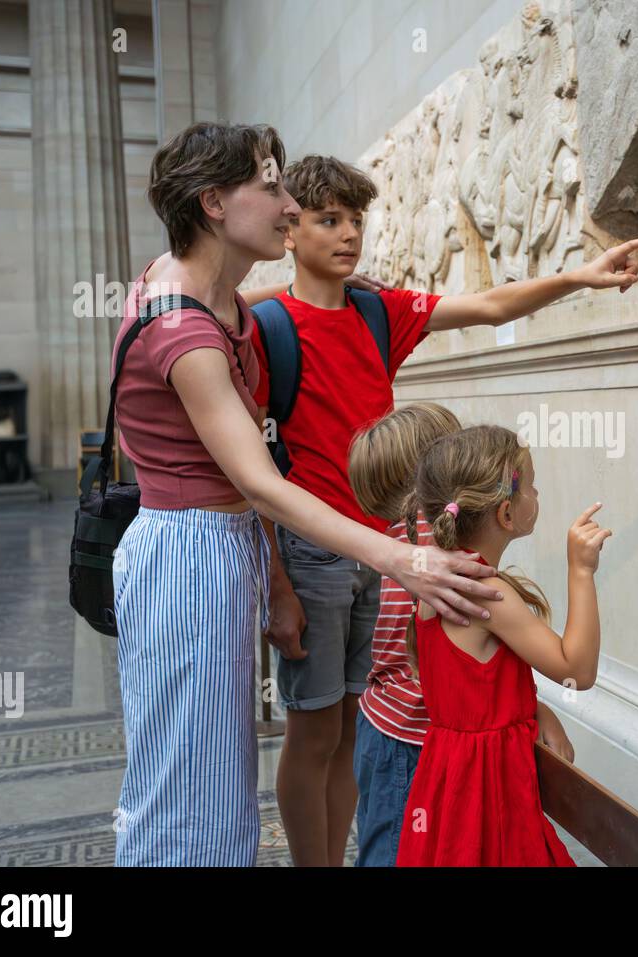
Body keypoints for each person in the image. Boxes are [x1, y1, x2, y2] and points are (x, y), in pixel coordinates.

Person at [238, 153, 638, 865]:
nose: (348, 234)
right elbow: (255, 468)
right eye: (328, 219)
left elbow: (488, 306)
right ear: (290, 227)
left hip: (404, 553)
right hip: (318, 552)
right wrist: (275, 578)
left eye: (356, 219)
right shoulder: (270, 323)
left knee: (376, 711)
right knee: (317, 730)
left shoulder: (377, 310)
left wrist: (579, 277)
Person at [109, 122, 503, 867]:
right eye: (272, 186)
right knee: (187, 787)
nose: (290, 206)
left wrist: (274, 575)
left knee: (218, 782)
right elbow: (258, 478)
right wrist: (402, 556)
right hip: (188, 553)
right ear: (215, 203)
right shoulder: (185, 329)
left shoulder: (210, 291)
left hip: (221, 545)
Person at [346, 402, 575, 866]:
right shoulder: (431, 565)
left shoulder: (421, 549)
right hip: (407, 740)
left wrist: (531, 706)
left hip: (401, 733)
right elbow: (436, 672)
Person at [393, 425, 610, 866]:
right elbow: (577, 670)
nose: (537, 490)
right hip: (489, 788)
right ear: (506, 514)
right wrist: (581, 572)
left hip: (447, 780)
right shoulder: (488, 593)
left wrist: (533, 709)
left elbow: (470, 689)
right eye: (530, 482)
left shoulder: (438, 581)